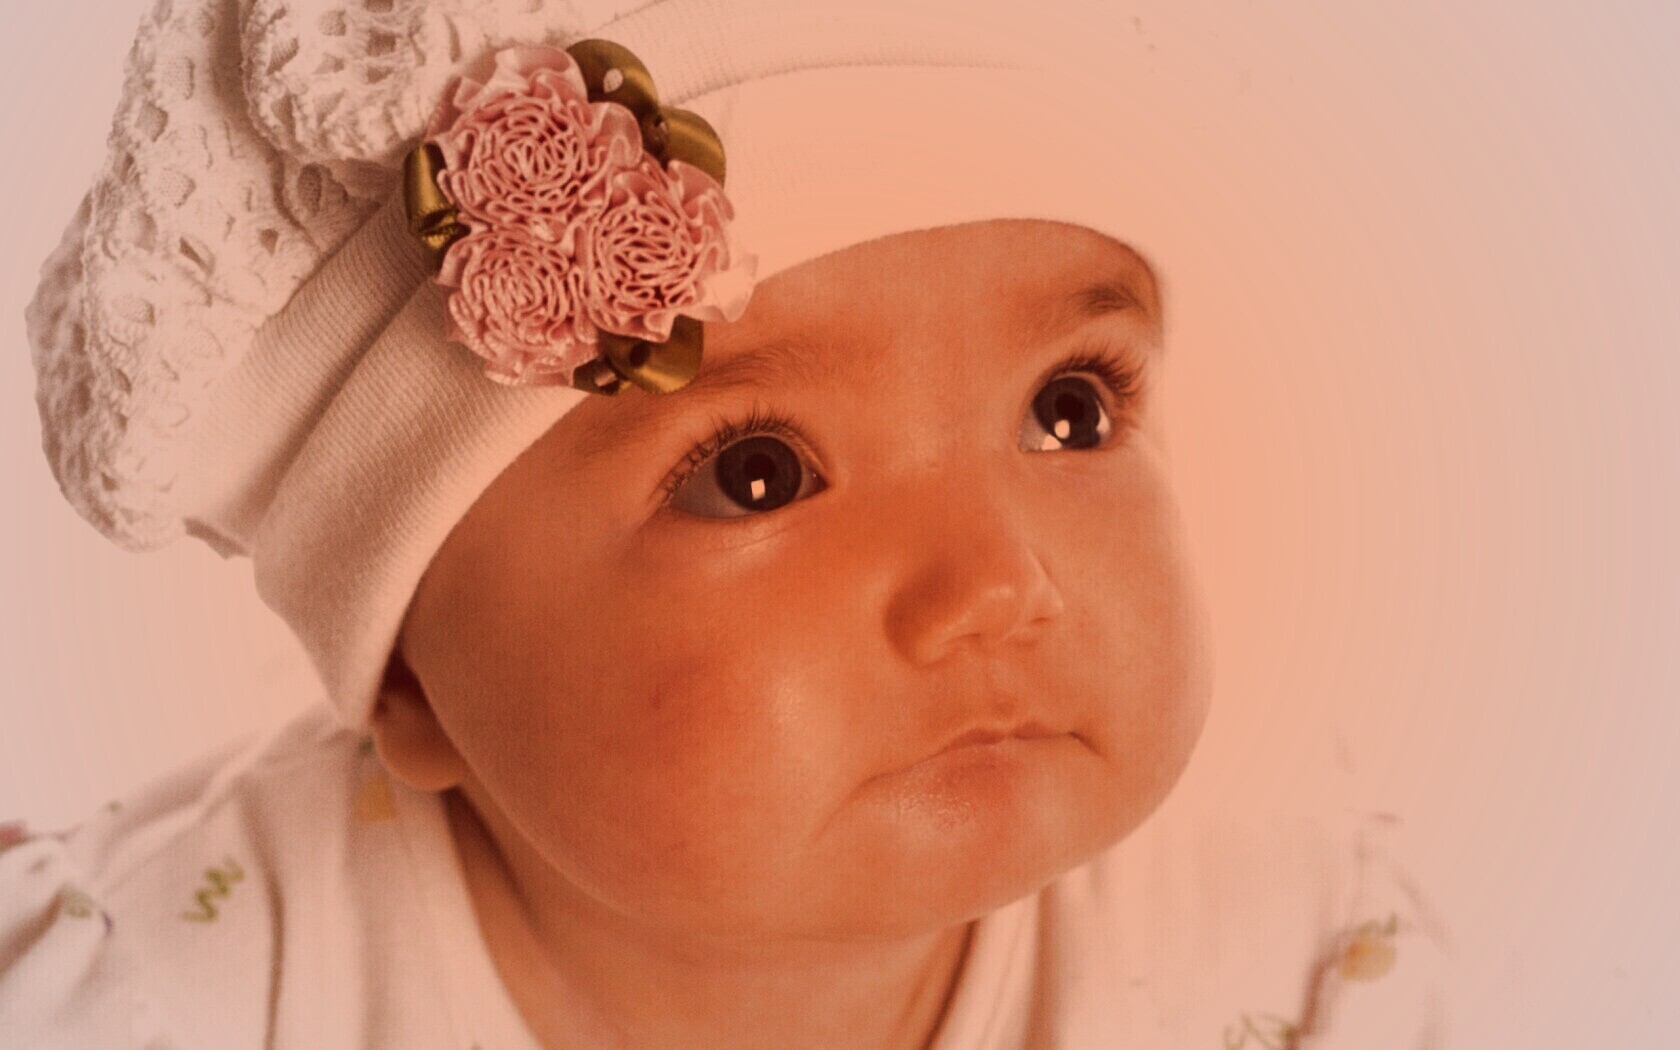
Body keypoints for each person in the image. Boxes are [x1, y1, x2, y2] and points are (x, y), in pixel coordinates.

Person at [1, 0, 1451, 1046]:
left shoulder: (1292, 963)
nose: (995, 582)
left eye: (1069, 409)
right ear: (411, 682)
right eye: (757, 474)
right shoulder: (180, 993)